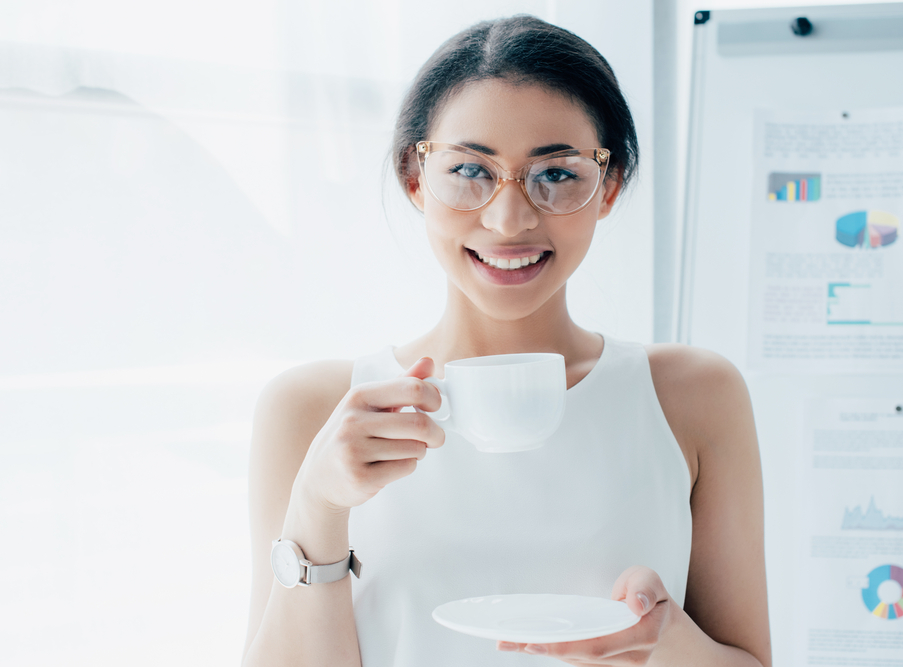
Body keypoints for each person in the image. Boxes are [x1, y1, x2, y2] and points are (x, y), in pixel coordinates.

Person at [242, 14, 770, 667]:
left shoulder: (693, 395)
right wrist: (317, 505)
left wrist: (666, 639)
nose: (508, 218)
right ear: (415, 179)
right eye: (468, 169)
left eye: (556, 174)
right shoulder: (315, 408)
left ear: (609, 187)